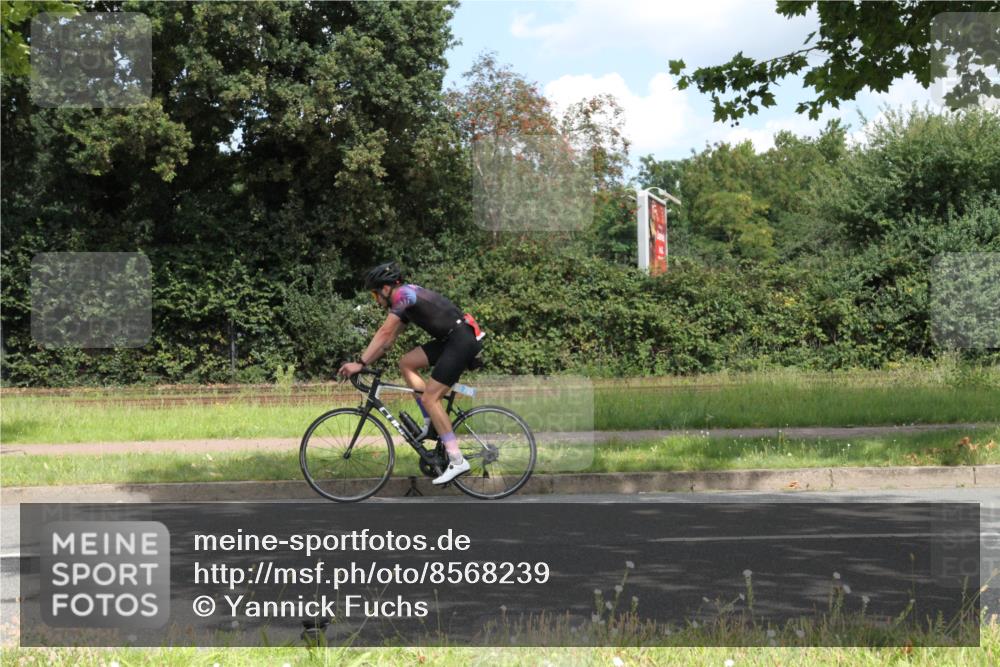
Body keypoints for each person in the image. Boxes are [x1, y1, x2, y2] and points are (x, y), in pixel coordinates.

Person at [337, 262, 485, 485]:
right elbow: (387, 341)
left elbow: (385, 331)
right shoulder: (405, 301)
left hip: (459, 341)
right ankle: (430, 423)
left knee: (431, 398)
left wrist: (359, 363)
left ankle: (457, 459)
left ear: (386, 289)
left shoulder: (403, 296)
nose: (376, 300)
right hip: (451, 340)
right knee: (406, 362)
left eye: (375, 294)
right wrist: (367, 362)